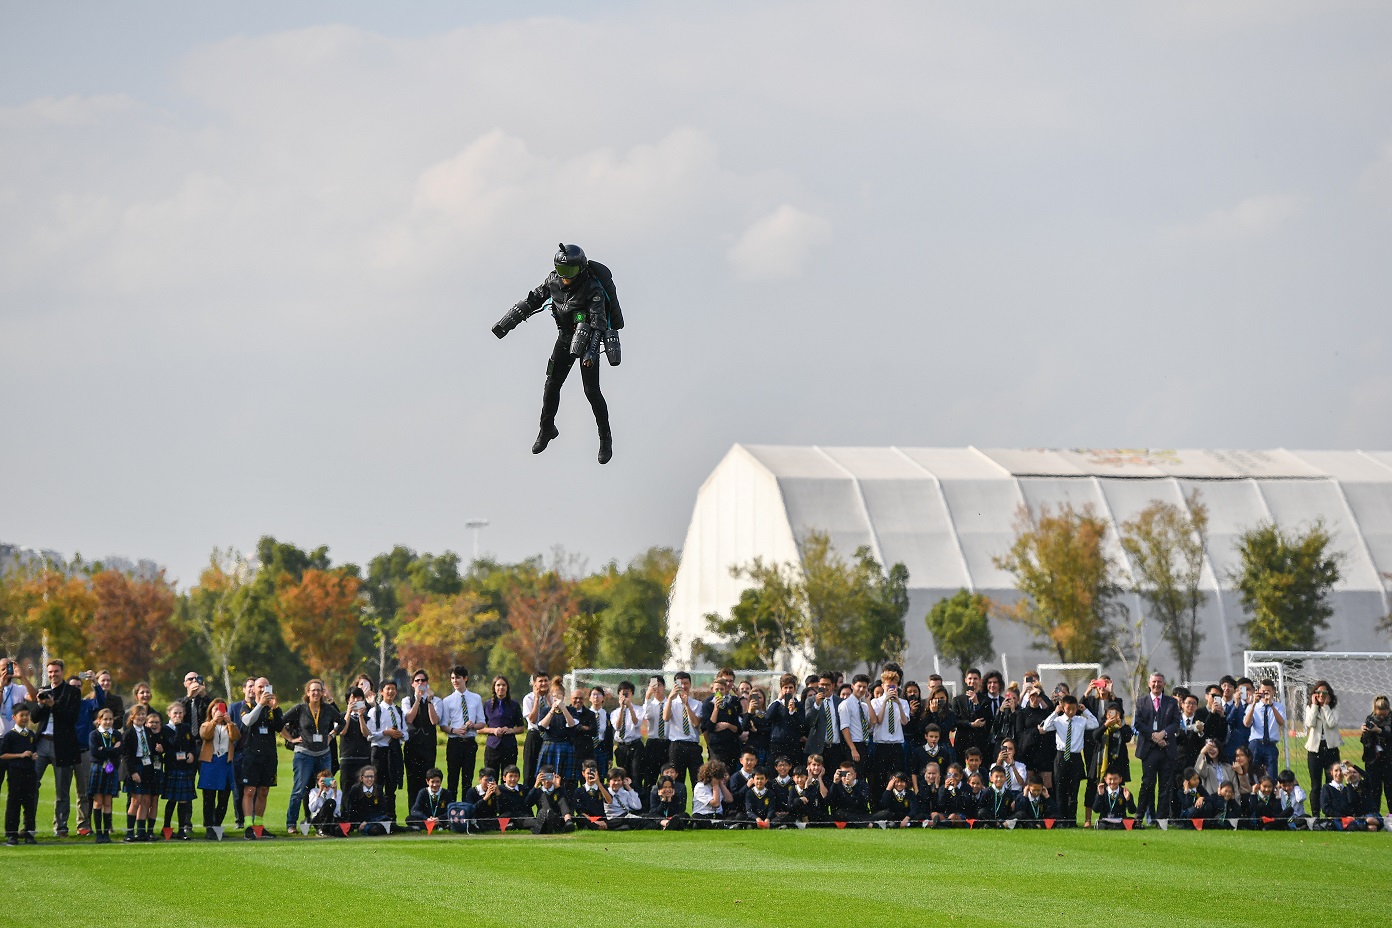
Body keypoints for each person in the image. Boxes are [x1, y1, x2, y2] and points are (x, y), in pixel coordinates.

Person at [492, 242, 621, 463]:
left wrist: (591, 352)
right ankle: (547, 428)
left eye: (569, 271)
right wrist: (507, 322)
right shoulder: (553, 280)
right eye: (561, 270)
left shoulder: (592, 288)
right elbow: (534, 299)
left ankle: (605, 438)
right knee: (551, 384)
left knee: (591, 391)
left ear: (579, 268)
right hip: (564, 338)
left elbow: (599, 322)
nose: (565, 276)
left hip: (588, 338)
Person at [280, 678, 342, 836]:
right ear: (307, 693)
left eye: (318, 690)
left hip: (323, 754)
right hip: (304, 754)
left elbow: (342, 721)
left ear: (322, 693)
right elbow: (280, 722)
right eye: (312, 690)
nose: (316, 692)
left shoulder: (327, 709)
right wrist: (290, 739)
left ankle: (324, 823)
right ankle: (291, 823)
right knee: (299, 790)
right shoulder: (300, 708)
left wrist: (332, 734)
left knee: (327, 787)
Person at [31, 659, 81, 837]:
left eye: (56, 671)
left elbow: (71, 718)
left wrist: (54, 705)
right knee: (32, 783)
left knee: (62, 788)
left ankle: (61, 826)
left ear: (62, 672)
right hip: (42, 742)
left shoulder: (72, 692)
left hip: (63, 745)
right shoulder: (43, 690)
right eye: (50, 672)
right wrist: (40, 703)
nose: (53, 675)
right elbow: (35, 718)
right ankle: (29, 825)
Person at [1038, 695, 1098, 823]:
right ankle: (1061, 819)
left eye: (1074, 709)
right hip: (1061, 756)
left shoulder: (1080, 721)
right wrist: (1055, 712)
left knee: (1073, 790)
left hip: (1075, 756)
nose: (1071, 712)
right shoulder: (1058, 720)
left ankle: (1072, 819)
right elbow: (1046, 727)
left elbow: (1095, 723)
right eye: (1068, 709)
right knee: (1060, 789)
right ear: (1063, 708)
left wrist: (1085, 710)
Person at [237, 678, 282, 839]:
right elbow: (248, 721)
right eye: (260, 687)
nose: (263, 689)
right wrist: (260, 704)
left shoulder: (271, 708)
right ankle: (248, 825)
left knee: (264, 791)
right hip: (251, 755)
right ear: (254, 689)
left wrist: (275, 708)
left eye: (266, 686)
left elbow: (280, 727)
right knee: (249, 790)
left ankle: (259, 826)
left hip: (269, 755)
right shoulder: (247, 706)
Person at [1133, 672, 1180, 823]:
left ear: (1164, 684)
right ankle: (1140, 817)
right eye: (1154, 682)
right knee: (1147, 784)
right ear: (1149, 684)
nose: (1156, 684)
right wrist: (1155, 736)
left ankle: (1162, 819)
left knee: (1165, 786)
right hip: (1149, 750)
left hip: (1167, 749)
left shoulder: (1172, 702)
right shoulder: (1141, 702)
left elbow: (1175, 723)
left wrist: (1163, 734)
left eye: (1159, 682)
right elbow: (1138, 724)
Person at [198, 699, 239, 839]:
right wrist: (214, 721)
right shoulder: (206, 724)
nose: (219, 712)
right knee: (209, 797)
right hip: (211, 762)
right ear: (210, 711)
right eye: (215, 709)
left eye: (221, 709)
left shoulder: (230, 726)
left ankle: (217, 824)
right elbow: (206, 735)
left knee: (224, 797)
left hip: (225, 762)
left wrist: (229, 722)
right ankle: (209, 826)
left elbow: (236, 737)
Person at [402, 670, 443, 806]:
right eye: (417, 681)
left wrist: (429, 701)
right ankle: (413, 815)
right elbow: (409, 718)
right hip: (412, 744)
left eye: (423, 681)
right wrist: (418, 700)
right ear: (413, 684)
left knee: (428, 779)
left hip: (428, 745)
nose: (420, 683)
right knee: (412, 780)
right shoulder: (407, 700)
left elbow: (434, 721)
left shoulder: (436, 700)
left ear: (427, 683)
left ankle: (426, 813)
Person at [1, 701, 39, 846]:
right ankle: (12, 833)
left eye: (26, 715)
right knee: (14, 803)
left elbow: (34, 750)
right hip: (16, 772)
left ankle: (29, 832)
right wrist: (20, 755)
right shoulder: (10, 735)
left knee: (29, 803)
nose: (24, 718)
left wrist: (33, 755)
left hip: (30, 772)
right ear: (14, 717)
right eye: (21, 715)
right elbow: (3, 754)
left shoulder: (31, 734)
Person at [368, 680, 408, 813]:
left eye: (393, 689)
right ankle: (377, 817)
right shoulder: (375, 711)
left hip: (394, 751)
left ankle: (391, 818)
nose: (390, 692)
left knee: (392, 786)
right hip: (379, 751)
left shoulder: (398, 711)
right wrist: (385, 733)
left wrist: (400, 734)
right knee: (378, 786)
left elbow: (406, 732)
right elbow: (369, 735)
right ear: (381, 692)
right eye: (388, 689)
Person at [870, 669, 910, 798]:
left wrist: (897, 702)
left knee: (897, 777)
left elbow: (904, 722)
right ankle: (880, 805)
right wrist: (885, 702)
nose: (890, 689)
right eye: (888, 686)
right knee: (880, 778)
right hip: (881, 745)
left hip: (896, 744)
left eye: (893, 686)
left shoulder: (903, 703)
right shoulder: (875, 702)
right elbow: (879, 720)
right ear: (882, 686)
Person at [160, 701, 197, 840]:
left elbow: (192, 745)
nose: (178, 715)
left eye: (180, 713)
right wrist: (178, 727)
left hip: (185, 768)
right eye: (175, 713)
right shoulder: (166, 729)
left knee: (184, 800)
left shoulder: (186, 727)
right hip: (173, 767)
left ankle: (182, 830)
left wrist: (192, 754)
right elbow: (173, 743)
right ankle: (166, 828)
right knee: (172, 799)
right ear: (169, 714)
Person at [1303, 680, 1341, 816]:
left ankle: (1332, 813)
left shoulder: (1334, 707)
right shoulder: (1310, 707)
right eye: (1318, 692)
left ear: (1329, 694)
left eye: (1324, 692)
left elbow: (1332, 723)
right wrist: (1314, 706)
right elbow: (1309, 723)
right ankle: (1315, 815)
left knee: (1332, 782)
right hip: (1315, 749)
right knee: (1316, 784)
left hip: (1331, 748)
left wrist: (1325, 707)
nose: (1321, 695)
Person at [121, 705, 158, 842]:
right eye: (138, 714)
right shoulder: (129, 733)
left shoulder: (148, 731)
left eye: (143, 714)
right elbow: (126, 756)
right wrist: (132, 772)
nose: (141, 717)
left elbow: (151, 749)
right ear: (132, 717)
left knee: (146, 801)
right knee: (136, 800)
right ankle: (130, 832)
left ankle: (141, 832)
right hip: (136, 767)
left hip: (147, 767)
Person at [86, 707, 122, 844]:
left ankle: (106, 833)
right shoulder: (94, 735)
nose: (108, 722)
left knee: (108, 802)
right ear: (99, 720)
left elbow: (120, 751)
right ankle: (99, 833)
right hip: (98, 768)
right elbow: (95, 752)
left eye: (110, 719)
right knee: (98, 802)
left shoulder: (117, 734)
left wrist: (105, 749)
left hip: (111, 769)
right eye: (105, 719)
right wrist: (112, 749)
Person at [666, 671, 704, 793]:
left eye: (686, 683)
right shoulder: (671, 702)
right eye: (680, 684)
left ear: (690, 684)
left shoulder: (697, 704)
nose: (683, 687)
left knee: (697, 780)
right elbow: (666, 718)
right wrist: (670, 699)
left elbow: (695, 723)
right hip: (676, 745)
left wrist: (687, 704)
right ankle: (678, 810)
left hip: (692, 745)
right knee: (677, 781)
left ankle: (698, 809)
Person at [481, 675, 523, 779]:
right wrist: (493, 730)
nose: (501, 687)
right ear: (494, 687)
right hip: (492, 746)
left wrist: (510, 730)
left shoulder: (514, 705)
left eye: (504, 685)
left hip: (509, 746)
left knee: (508, 779)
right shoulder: (487, 705)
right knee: (491, 778)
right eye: (498, 685)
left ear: (507, 687)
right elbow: (479, 728)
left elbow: (521, 728)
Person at [1244, 679, 1286, 779]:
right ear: (1258, 691)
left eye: (1268, 691)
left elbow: (1281, 722)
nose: (1265, 694)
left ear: (1273, 692)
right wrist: (1254, 703)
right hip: (1256, 743)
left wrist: (1271, 705)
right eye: (1263, 691)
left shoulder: (1278, 706)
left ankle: (1271, 793)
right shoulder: (1252, 706)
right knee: (1252, 774)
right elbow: (1247, 723)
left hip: (1270, 744)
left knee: (1272, 775)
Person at [702, 669, 743, 769]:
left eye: (722, 689)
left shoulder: (732, 704)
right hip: (717, 748)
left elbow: (739, 727)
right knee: (717, 775)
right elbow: (708, 727)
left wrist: (727, 725)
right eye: (717, 689)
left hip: (732, 746)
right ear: (713, 689)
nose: (719, 692)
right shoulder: (708, 703)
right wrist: (716, 708)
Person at [837, 674, 876, 781]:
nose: (861, 689)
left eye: (864, 687)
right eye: (859, 686)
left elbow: (873, 721)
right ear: (852, 686)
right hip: (853, 744)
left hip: (864, 744)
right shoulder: (846, 704)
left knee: (863, 776)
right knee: (852, 776)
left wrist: (868, 701)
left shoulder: (863, 705)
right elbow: (845, 728)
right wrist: (853, 749)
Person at [610, 681, 644, 792]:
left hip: (635, 745)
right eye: (622, 693)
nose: (624, 695)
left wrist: (629, 707)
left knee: (636, 775)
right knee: (622, 776)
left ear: (632, 694)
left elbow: (637, 723)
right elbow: (618, 727)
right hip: (621, 747)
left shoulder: (638, 709)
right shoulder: (615, 712)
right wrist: (622, 709)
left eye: (627, 693)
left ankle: (637, 803)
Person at [803, 673, 841, 772]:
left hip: (835, 748)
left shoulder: (840, 702)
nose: (824, 687)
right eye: (822, 685)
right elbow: (809, 722)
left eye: (827, 685)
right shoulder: (810, 701)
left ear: (833, 685)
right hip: (818, 748)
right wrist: (817, 704)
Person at [338, 686, 373, 793]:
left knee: (362, 791)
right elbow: (342, 731)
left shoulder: (368, 717)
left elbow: (366, 734)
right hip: (347, 759)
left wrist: (361, 716)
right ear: (348, 700)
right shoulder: (341, 716)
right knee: (346, 790)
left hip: (363, 758)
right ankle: (345, 810)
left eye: (359, 698)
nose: (356, 701)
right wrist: (348, 712)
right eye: (353, 698)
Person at [1361, 694, 1392, 813]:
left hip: (1389, 759)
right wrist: (1365, 731)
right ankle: (1375, 814)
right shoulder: (1370, 719)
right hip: (1373, 760)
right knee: (1374, 789)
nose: (1382, 717)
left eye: (1384, 714)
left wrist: (1379, 730)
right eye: (1379, 714)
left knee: (1390, 789)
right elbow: (1365, 741)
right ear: (1375, 710)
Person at [521, 671, 553, 785]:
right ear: (534, 684)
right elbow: (533, 720)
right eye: (540, 681)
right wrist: (536, 699)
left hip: (549, 737)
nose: (544, 683)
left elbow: (554, 719)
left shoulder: (553, 699)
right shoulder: (528, 699)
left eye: (546, 681)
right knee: (529, 770)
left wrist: (549, 700)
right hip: (534, 735)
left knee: (548, 770)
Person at [640, 675, 670, 794]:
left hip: (668, 742)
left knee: (667, 776)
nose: (656, 689)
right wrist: (647, 697)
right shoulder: (649, 704)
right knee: (650, 777)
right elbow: (647, 716)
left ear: (664, 686)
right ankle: (648, 807)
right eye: (653, 686)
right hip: (653, 742)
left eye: (659, 685)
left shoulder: (671, 702)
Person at [524, 764, 574, 834]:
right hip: (543, 819)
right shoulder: (538, 791)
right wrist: (535, 785)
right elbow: (527, 804)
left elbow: (568, 803)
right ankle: (548, 816)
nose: (547, 781)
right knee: (543, 795)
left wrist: (558, 787)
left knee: (562, 799)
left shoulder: (559, 790)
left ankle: (568, 820)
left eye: (549, 777)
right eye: (544, 778)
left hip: (557, 819)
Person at [766, 673, 804, 766]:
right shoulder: (776, 704)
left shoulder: (799, 705)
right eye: (785, 687)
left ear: (794, 689)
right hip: (777, 744)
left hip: (793, 745)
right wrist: (779, 700)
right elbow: (768, 717)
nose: (788, 690)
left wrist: (792, 712)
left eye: (790, 687)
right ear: (781, 689)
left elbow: (801, 724)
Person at [343, 766, 392, 836]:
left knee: (388, 825)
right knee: (374, 830)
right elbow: (351, 809)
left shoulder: (378, 788)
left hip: (376, 819)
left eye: (372, 777)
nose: (369, 779)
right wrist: (359, 824)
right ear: (362, 777)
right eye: (367, 777)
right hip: (361, 821)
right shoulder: (355, 790)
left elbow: (382, 809)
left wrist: (369, 821)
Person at [692, 760, 732, 825]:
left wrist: (721, 785)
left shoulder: (719, 785)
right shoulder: (700, 787)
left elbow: (729, 799)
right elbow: (716, 804)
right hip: (702, 815)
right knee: (701, 821)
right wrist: (715, 786)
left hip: (717, 815)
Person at [308, 769, 342, 837]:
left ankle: (323, 830)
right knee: (329, 802)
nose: (326, 784)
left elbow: (336, 811)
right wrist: (320, 792)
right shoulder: (314, 792)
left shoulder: (338, 792)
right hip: (318, 819)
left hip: (331, 818)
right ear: (318, 782)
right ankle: (321, 830)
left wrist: (334, 792)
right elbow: (312, 809)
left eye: (328, 781)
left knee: (330, 802)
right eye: (322, 781)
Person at [588, 686, 612, 776]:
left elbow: (609, 737)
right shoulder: (586, 714)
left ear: (603, 698)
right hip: (589, 749)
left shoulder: (607, 715)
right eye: (593, 694)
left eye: (599, 695)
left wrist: (610, 757)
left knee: (601, 776)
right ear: (589, 698)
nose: (596, 697)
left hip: (602, 749)